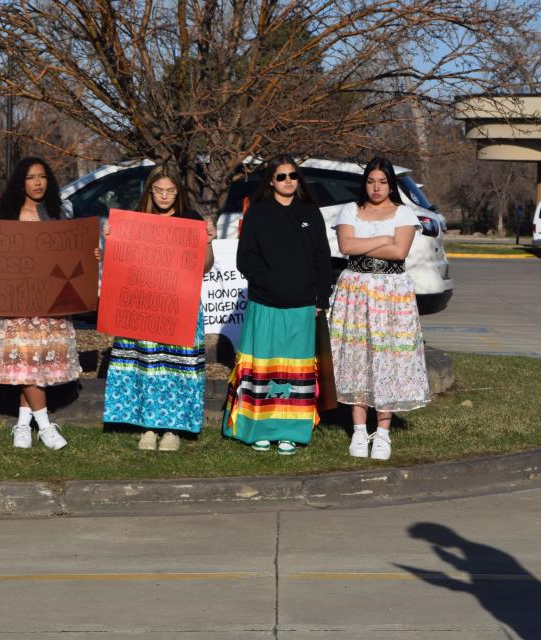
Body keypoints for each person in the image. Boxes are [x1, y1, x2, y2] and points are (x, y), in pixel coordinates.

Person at [221, 155, 332, 455]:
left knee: (295, 372)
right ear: (271, 180)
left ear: (299, 179)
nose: (288, 181)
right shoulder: (258, 214)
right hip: (265, 304)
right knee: (263, 368)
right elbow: (246, 258)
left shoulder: (310, 213)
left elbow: (322, 259)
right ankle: (257, 428)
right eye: (281, 176)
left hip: (302, 308)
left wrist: (322, 298)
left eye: (293, 176)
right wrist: (269, 281)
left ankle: (290, 431)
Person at [100, 164, 215, 451]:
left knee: (176, 364)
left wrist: (208, 242)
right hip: (144, 305)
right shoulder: (136, 220)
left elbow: (205, 266)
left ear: (178, 192)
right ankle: (148, 426)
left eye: (171, 191)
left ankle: (173, 429)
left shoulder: (190, 219)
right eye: (159, 190)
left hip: (180, 303)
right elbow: (121, 264)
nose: (164, 196)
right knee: (146, 363)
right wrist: (110, 239)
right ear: (150, 191)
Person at [0, 157, 80, 450]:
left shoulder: (57, 214)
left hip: (48, 306)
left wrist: (88, 257)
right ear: (21, 182)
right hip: (17, 307)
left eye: (43, 176)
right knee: (26, 364)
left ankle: (21, 426)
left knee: (34, 366)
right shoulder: (6, 216)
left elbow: (68, 258)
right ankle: (44, 428)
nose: (38, 182)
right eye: (31, 177)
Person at [329, 156, 430, 461]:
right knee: (357, 355)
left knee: (388, 357)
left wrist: (368, 240)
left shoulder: (404, 214)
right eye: (371, 181)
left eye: (382, 182)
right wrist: (383, 237)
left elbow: (399, 251)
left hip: (390, 292)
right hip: (355, 290)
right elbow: (346, 246)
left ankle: (382, 433)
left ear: (391, 184)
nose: (376, 187)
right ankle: (359, 431)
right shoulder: (351, 209)